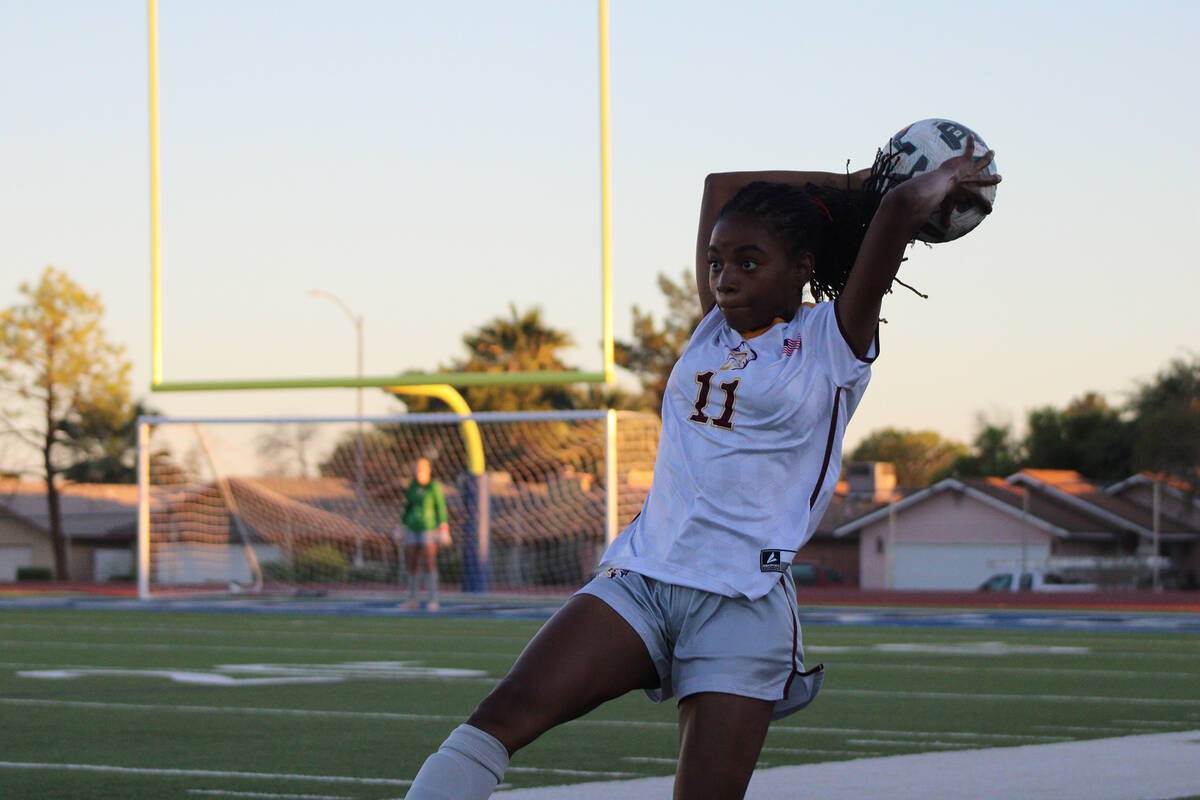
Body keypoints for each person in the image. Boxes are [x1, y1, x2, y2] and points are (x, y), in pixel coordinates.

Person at [404, 139, 999, 799]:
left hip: (741, 603)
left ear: (802, 266)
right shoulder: (712, 327)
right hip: (643, 579)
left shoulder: (834, 341)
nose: (725, 279)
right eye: (718, 263)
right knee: (496, 722)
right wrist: (848, 182)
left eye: (749, 262)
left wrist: (925, 181)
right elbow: (721, 186)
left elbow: (898, 210)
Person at [399, 457, 449, 611]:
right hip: (413, 527)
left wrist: (444, 528)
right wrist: (402, 525)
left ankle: (432, 599)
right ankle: (412, 599)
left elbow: (440, 507)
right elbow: (408, 507)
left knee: (429, 562)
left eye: (422, 468)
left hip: (429, 528)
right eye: (417, 468)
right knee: (412, 563)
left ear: (428, 470)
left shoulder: (433, 486)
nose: (419, 471)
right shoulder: (412, 486)